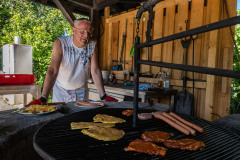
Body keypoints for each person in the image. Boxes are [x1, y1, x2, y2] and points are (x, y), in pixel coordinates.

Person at [26, 18, 117, 107]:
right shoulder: (61, 43)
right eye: (82, 31)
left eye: (89, 32)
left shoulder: (92, 45)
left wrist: (103, 95)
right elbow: (53, 70)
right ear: (74, 30)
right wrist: (43, 97)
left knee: (79, 120)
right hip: (61, 92)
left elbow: (95, 70)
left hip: (82, 91)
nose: (86, 35)